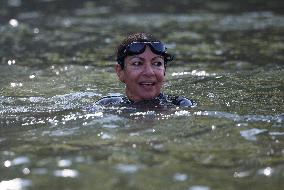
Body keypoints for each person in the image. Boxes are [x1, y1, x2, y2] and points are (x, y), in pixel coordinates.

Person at [95, 32, 194, 108]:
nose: (149, 72)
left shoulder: (181, 105)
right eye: (137, 63)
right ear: (120, 71)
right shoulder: (105, 106)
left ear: (164, 70)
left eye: (157, 63)